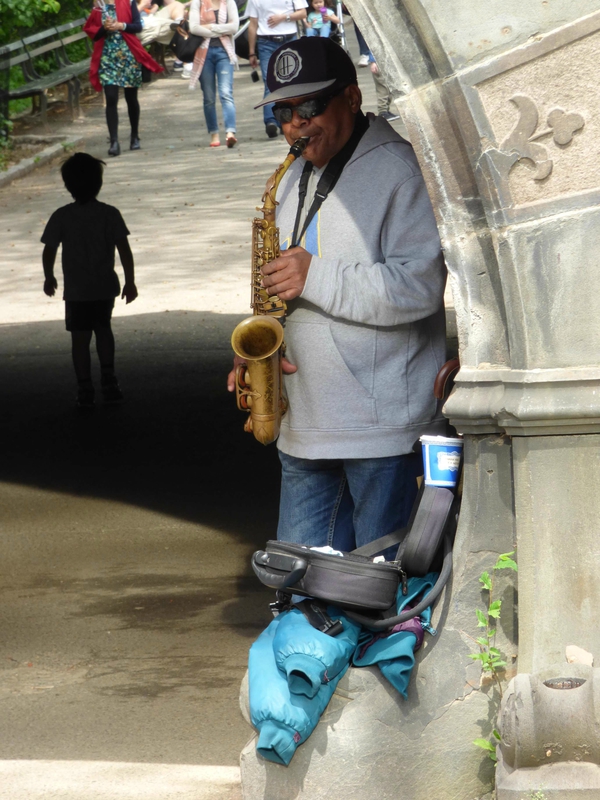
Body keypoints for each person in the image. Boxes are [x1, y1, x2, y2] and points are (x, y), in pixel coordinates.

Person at [227, 37, 447, 554]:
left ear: (351, 98)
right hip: (305, 422)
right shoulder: (289, 177)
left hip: (380, 428)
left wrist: (315, 276)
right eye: (283, 110)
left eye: (309, 106)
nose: (295, 124)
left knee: (378, 589)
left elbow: (420, 287)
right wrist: (261, 339)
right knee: (302, 588)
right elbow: (281, 286)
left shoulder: (401, 170)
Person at [41, 153, 138, 408]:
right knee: (104, 330)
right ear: (98, 183)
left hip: (76, 291)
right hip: (104, 287)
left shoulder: (61, 216)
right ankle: (109, 378)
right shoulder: (109, 214)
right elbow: (124, 250)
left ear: (68, 185)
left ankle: (85, 387)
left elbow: (49, 249)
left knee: (80, 339)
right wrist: (130, 281)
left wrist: (48, 276)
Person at [84, 0, 163, 157]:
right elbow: (93, 34)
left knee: (131, 98)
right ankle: (114, 141)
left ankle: (134, 136)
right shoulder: (98, 6)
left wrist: (121, 26)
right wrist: (104, 28)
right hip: (107, 58)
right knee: (111, 98)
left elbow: (138, 26)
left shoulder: (129, 2)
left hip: (128, 56)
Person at [246, 0, 308, 139]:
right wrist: (251, 52)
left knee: (290, 83)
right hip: (265, 42)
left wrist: (284, 17)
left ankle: (287, 119)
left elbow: (303, 13)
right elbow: (253, 24)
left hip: (289, 40)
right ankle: (271, 121)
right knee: (270, 83)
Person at [187, 0, 239, 147]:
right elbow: (194, 28)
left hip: (224, 52)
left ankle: (230, 132)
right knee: (209, 97)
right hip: (204, 52)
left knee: (226, 93)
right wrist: (222, 29)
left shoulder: (228, 2)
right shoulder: (198, 3)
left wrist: (211, 27)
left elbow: (234, 27)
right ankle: (214, 133)